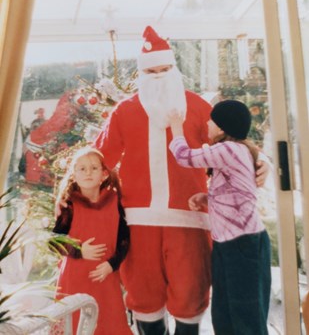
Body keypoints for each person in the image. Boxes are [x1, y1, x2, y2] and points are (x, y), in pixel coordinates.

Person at [92, 26, 269, 335]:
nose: (159, 76)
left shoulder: (199, 107)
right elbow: (98, 159)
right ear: (142, 73)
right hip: (139, 220)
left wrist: (262, 161)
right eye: (152, 70)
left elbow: (232, 144)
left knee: (191, 293)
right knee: (143, 295)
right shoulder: (125, 111)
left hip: (189, 219)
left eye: (165, 69)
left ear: (175, 69)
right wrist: (76, 192)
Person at [169, 100, 272, 335]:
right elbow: (238, 191)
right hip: (230, 244)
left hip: (243, 243)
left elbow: (184, 157)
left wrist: (176, 128)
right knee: (224, 312)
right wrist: (207, 198)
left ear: (223, 128)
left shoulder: (228, 150)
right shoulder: (235, 152)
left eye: (211, 120)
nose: (206, 122)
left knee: (245, 315)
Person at [52, 146, 132, 335]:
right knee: (74, 324)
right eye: (82, 168)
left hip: (105, 279)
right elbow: (54, 242)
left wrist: (112, 265)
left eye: (94, 168)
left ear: (104, 174)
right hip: (74, 281)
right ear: (74, 175)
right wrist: (79, 250)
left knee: (109, 324)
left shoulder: (116, 202)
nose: (88, 172)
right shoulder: (68, 205)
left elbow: (124, 240)